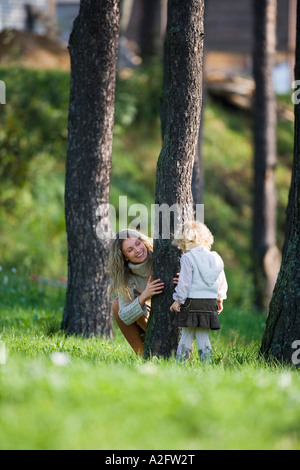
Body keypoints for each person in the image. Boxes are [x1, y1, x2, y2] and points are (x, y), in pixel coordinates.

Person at [170, 221, 228, 362]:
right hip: (209, 303)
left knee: (186, 335)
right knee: (203, 335)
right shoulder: (216, 258)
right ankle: (207, 364)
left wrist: (178, 300)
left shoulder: (188, 258)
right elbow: (221, 282)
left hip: (191, 302)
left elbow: (184, 283)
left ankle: (180, 364)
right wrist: (219, 299)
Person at [108, 229, 165, 355]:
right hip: (147, 317)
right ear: (125, 257)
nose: (138, 250)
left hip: (172, 311)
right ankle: (142, 355)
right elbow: (125, 317)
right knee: (117, 305)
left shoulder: (159, 254)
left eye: (138, 243)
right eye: (130, 250)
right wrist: (143, 296)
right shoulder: (125, 276)